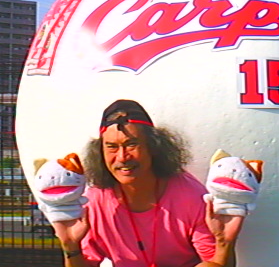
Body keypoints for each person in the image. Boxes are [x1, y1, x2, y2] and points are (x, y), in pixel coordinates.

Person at [53, 99, 244, 267]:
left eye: (131, 144)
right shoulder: (93, 202)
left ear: (153, 146)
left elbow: (214, 263)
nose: (122, 157)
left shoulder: (190, 196)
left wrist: (225, 242)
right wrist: (71, 246)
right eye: (112, 147)